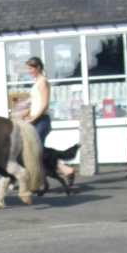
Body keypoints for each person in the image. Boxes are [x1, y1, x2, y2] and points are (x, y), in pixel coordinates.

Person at [21, 56, 75, 186]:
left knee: (35, 151)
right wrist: (28, 111)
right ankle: (66, 170)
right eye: (27, 69)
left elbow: (44, 104)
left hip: (42, 121)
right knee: (37, 151)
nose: (29, 71)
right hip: (36, 120)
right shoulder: (37, 82)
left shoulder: (43, 82)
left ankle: (34, 179)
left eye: (30, 69)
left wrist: (33, 118)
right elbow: (37, 101)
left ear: (38, 67)